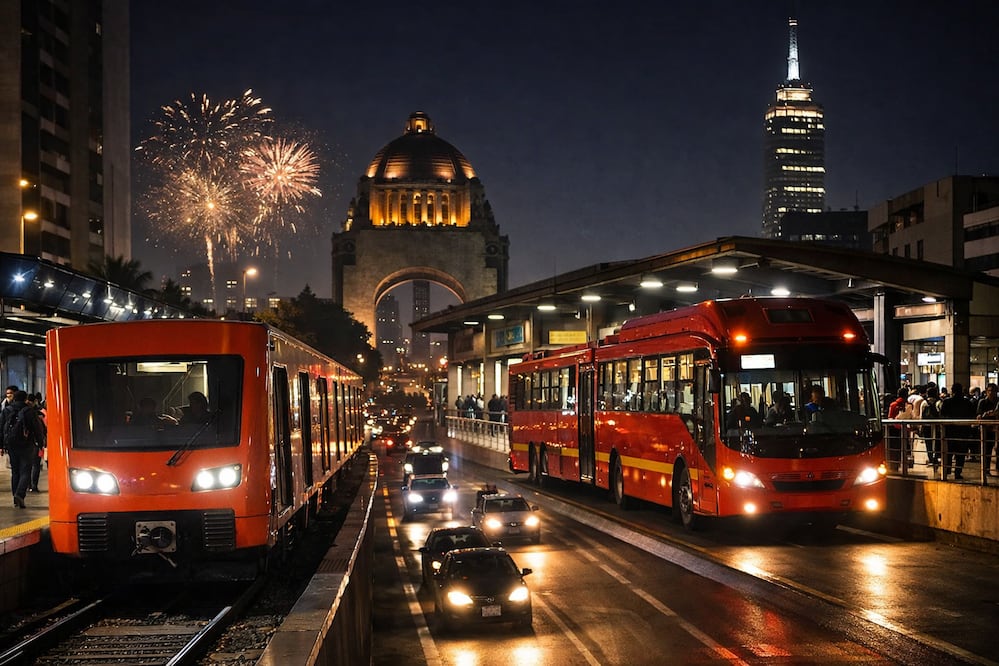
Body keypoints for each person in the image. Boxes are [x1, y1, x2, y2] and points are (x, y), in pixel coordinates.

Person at [1, 390, 46, 508]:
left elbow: (1, 428)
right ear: (25, 399)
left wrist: (1, 445)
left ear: (14, 398)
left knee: (15, 471)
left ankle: (15, 498)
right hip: (27, 444)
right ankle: (20, 494)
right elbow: (37, 428)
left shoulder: (7, 410)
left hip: (11, 445)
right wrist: (41, 443)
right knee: (25, 471)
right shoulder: (29, 411)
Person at [939, 383, 977, 480]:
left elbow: (942, 415)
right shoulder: (967, 402)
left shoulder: (947, 402)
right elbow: (972, 415)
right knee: (961, 454)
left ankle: (947, 470)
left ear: (952, 390)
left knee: (948, 453)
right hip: (963, 432)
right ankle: (957, 472)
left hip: (949, 431)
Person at [976, 383, 999, 477]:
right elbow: (978, 415)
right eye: (989, 391)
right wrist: (985, 415)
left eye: (993, 391)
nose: (991, 393)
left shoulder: (997, 402)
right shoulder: (982, 402)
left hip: (997, 429)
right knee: (987, 450)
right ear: (986, 391)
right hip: (986, 430)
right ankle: (986, 470)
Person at [25, 392, 46, 493]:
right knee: (36, 464)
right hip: (35, 442)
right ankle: (34, 486)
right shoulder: (38, 413)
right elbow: (41, 430)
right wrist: (41, 443)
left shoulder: (20, 412)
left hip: (23, 443)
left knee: (27, 465)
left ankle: (27, 485)